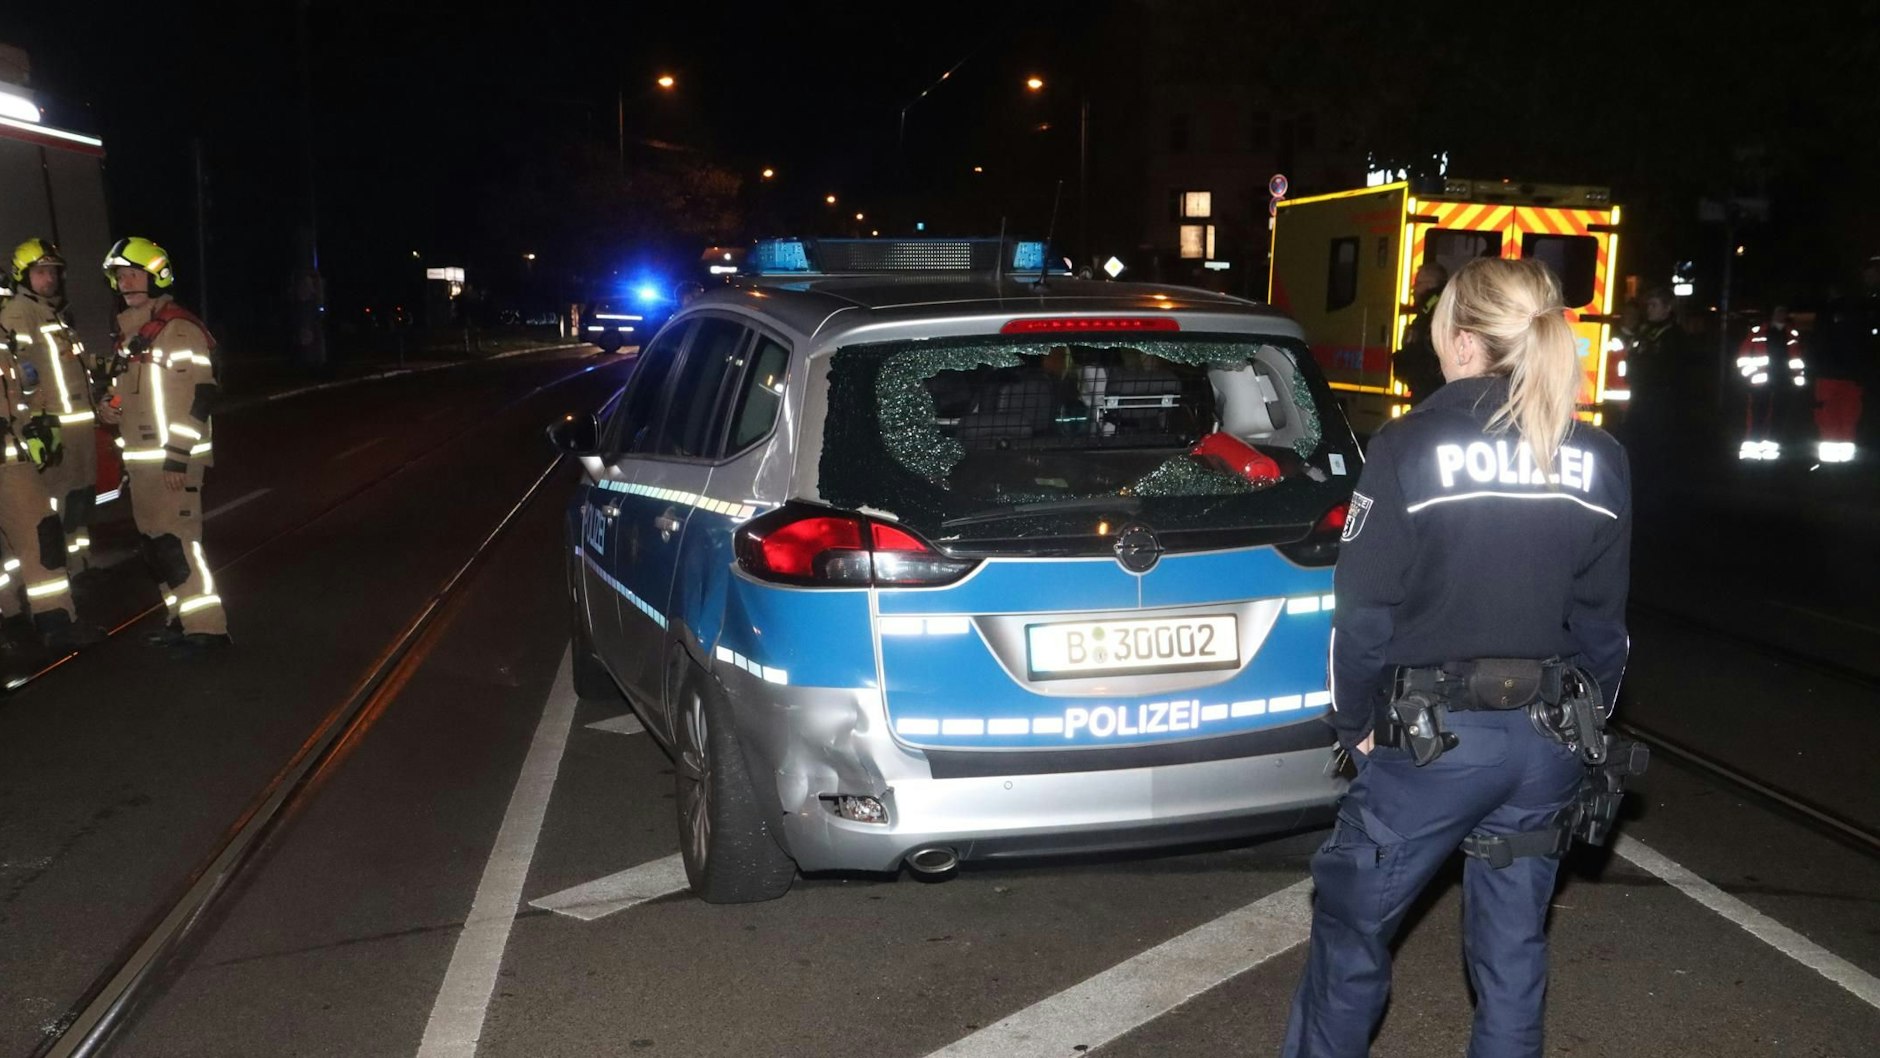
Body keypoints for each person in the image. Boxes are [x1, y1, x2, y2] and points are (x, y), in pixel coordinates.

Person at [1281, 257, 1632, 1058]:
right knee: (1513, 959)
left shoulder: (1409, 445)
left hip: (1431, 746)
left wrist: (1355, 723)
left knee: (1350, 931)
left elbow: (1363, 614)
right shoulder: (1600, 458)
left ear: (1464, 340)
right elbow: (1605, 630)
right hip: (1548, 743)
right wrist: (1583, 727)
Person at [98, 236, 230, 654]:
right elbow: (124, 394)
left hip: (174, 463)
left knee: (178, 544)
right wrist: (109, 408)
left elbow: (202, 396)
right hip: (141, 464)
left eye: (133, 274)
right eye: (119, 276)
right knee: (157, 547)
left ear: (156, 276)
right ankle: (179, 619)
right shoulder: (130, 336)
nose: (125, 283)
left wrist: (177, 456)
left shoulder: (179, 329)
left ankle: (208, 629)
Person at [0, 240, 106, 655]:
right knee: (41, 532)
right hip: (12, 456)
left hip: (20, 448)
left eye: (54, 271)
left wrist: (35, 420)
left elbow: (23, 383)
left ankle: (18, 617)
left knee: (27, 536)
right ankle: (53, 622)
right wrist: (31, 423)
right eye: (42, 271)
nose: (51, 278)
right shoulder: (16, 317)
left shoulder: (34, 321)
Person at [1733, 305, 1807, 460]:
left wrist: (1797, 380)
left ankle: (1770, 450)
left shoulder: (1791, 334)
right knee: (1757, 415)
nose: (1781, 314)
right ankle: (1752, 450)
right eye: (1778, 311)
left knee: (1777, 416)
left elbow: (1797, 359)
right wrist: (1751, 376)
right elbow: (1743, 358)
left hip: (1783, 382)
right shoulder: (1757, 332)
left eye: (1783, 311)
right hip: (1761, 383)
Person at [1392, 263, 1448, 406]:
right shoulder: (1436, 306)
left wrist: (1403, 361)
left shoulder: (1431, 311)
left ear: (1430, 284)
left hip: (1428, 391)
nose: (1413, 289)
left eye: (1418, 284)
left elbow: (1422, 352)